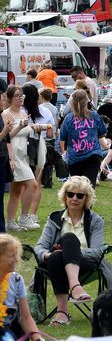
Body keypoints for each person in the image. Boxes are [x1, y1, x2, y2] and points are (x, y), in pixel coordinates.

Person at [33, 177, 110, 327]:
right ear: (64, 196)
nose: (74, 198)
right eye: (70, 194)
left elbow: (97, 251)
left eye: (80, 195)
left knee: (68, 240)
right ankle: (70, 298)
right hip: (56, 264)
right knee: (57, 256)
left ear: (86, 199)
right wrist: (47, 255)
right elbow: (39, 247)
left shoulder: (95, 220)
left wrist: (72, 252)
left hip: (86, 264)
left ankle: (66, 305)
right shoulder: (54, 218)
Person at [3, 85, 47, 231]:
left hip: (23, 154)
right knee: (33, 184)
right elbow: (6, 136)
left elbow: (27, 131)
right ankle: (24, 218)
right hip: (13, 154)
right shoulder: (6, 114)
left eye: (22, 96)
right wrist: (20, 127)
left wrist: (34, 128)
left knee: (16, 190)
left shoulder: (23, 113)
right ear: (9, 98)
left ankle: (10, 222)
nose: (20, 98)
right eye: (17, 96)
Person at [0, 233, 45, 341]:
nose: (16, 259)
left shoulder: (16, 280)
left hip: (8, 331)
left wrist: (39, 340)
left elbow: (26, 318)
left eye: (17, 255)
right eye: (12, 255)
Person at [57, 89, 107, 185]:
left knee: (77, 187)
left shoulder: (68, 118)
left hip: (74, 156)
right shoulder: (95, 116)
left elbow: (62, 138)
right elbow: (102, 133)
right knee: (88, 187)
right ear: (87, 101)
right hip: (93, 154)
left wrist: (64, 152)